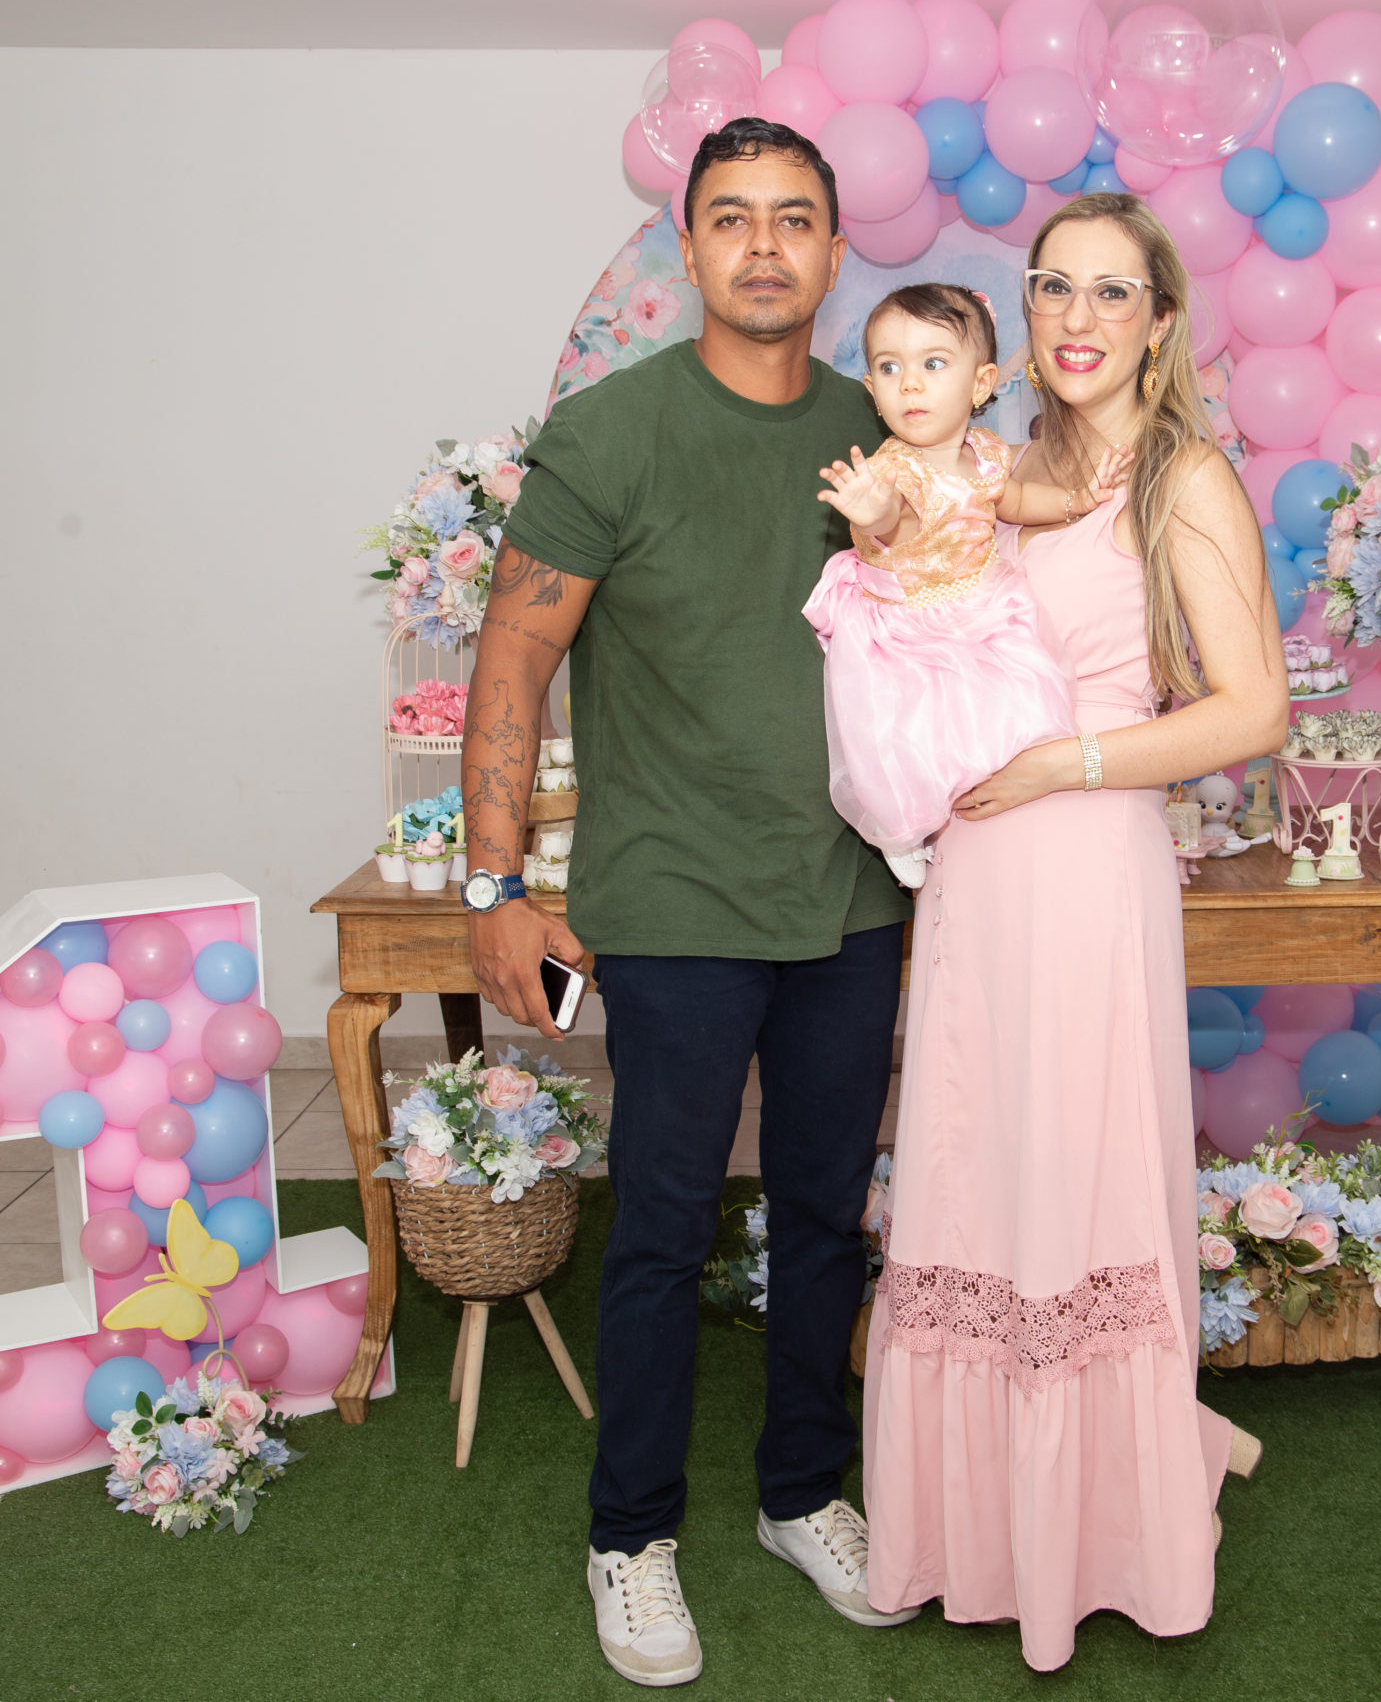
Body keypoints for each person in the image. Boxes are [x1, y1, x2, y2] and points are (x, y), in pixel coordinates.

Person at [460, 117, 917, 1689]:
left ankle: (802, 1492)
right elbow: (513, 656)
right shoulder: (609, 435)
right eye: (733, 217)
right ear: (691, 249)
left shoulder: (884, 434)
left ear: (838, 251)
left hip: (854, 900)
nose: (765, 243)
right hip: (667, 905)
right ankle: (632, 1533)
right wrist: (497, 882)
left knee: (826, 1211)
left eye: (795, 217)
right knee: (658, 1224)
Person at [860, 194, 1289, 1670]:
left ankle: (1102, 1521)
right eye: (1055, 287)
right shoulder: (996, 467)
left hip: (1091, 853)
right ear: (1025, 315)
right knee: (977, 1161)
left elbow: (1253, 710)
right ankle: (968, 1528)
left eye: (1115, 291)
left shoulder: (1185, 479)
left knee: (1081, 1168)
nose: (1081, 317)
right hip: (974, 873)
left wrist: (1066, 764)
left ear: (1159, 323)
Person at [806, 281, 1132, 888]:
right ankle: (902, 827)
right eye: (890, 368)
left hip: (977, 600)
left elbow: (1015, 500)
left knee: (1009, 693)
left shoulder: (985, 453)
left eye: (932, 364)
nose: (909, 384)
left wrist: (1079, 500)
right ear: (872, 389)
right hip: (902, 622)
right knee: (901, 732)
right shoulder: (893, 469)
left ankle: (1003, 772)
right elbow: (892, 520)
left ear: (980, 384)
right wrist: (870, 512)